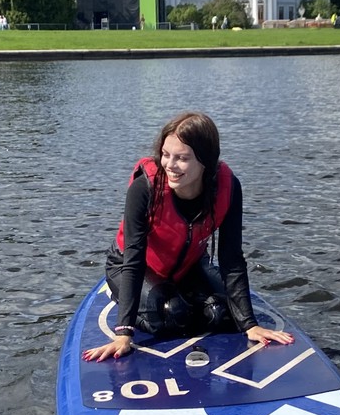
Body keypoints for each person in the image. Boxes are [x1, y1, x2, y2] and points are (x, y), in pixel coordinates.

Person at [84, 111, 295, 361]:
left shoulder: (228, 187)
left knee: (219, 313)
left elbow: (232, 259)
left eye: (182, 158)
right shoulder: (145, 189)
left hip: (189, 266)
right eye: (165, 155)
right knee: (172, 314)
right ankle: (121, 293)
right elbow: (133, 260)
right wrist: (124, 333)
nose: (170, 165)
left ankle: (179, 294)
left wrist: (249, 324)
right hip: (131, 266)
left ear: (205, 161)